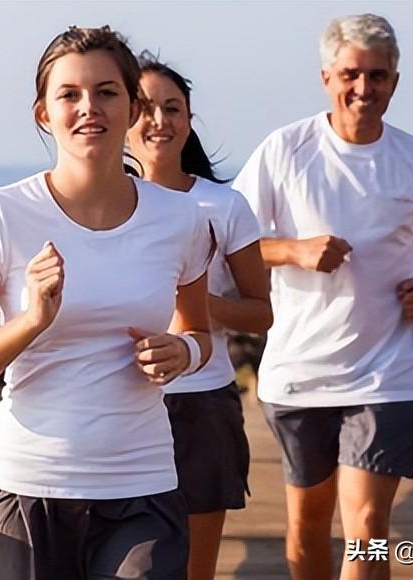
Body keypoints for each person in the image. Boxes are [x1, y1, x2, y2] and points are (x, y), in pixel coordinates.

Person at [0, 26, 215, 580]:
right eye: (70, 94)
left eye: (107, 92)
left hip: (143, 488)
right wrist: (31, 321)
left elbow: (200, 333)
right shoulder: (1, 214)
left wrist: (184, 351)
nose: (90, 108)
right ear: (44, 113)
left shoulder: (180, 220)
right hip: (29, 489)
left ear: (133, 107)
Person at [232, 14, 413, 580]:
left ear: (395, 80)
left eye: (378, 76)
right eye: (351, 75)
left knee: (366, 529)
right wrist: (294, 250)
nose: (364, 89)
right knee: (308, 526)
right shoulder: (286, 150)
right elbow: (231, 239)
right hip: (300, 369)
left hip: (390, 372)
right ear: (326, 77)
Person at [125, 53, 271, 580]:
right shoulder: (97, 206)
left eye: (173, 108)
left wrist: (194, 303)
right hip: (119, 409)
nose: (159, 120)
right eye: (144, 107)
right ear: (119, 117)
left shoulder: (224, 207)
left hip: (201, 408)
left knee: (193, 571)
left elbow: (261, 313)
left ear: (189, 121)